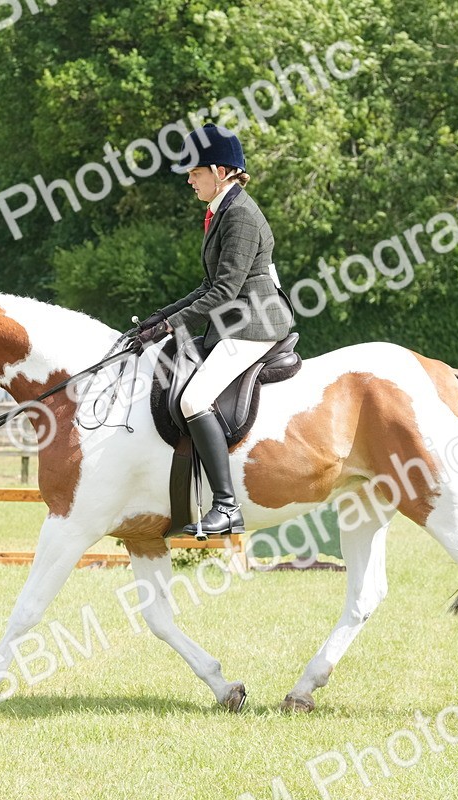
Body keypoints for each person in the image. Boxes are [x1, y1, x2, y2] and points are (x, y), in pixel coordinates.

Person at [132, 123, 294, 536]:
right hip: (237, 319)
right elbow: (210, 286)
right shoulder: (223, 209)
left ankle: (226, 506)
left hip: (254, 323)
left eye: (195, 172)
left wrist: (170, 324)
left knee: (194, 399)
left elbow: (224, 291)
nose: (189, 180)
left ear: (220, 171)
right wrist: (159, 316)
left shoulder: (238, 214)